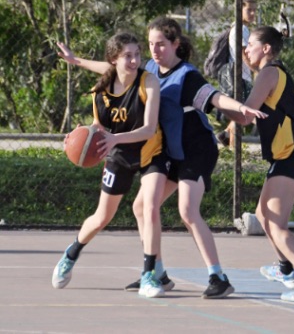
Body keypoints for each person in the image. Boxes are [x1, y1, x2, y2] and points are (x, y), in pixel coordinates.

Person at [57, 18, 266, 299]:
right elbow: (112, 67)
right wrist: (77, 61)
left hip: (196, 149)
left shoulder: (187, 77)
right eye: (151, 44)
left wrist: (241, 107)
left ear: (175, 45)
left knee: (187, 211)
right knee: (142, 207)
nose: (154, 50)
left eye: (161, 44)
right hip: (172, 150)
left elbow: (215, 98)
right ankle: (157, 274)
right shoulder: (150, 69)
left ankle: (218, 277)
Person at [52, 32, 169, 298]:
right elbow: (98, 127)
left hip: (151, 152)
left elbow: (149, 128)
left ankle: (149, 275)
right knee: (102, 217)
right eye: (128, 55)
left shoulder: (148, 81)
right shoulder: (101, 90)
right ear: (114, 60)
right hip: (119, 156)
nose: (135, 60)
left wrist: (114, 138)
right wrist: (77, 138)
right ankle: (71, 254)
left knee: (150, 208)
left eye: (138, 54)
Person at [234, 26, 294, 302]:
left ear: (265, 49)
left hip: (291, 154)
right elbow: (250, 109)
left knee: (276, 224)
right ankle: (287, 270)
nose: (246, 49)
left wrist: (211, 101)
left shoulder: (269, 72)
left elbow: (246, 114)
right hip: (285, 154)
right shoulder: (270, 72)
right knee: (264, 217)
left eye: (250, 44)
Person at [217, 0, 257, 145]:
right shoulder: (242, 29)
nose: (253, 13)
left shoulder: (238, 27)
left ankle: (225, 135)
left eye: (254, 10)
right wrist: (255, 69)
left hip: (241, 76)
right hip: (240, 77)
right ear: (239, 10)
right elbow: (244, 52)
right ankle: (234, 152)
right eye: (249, 10)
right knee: (242, 114)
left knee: (242, 113)